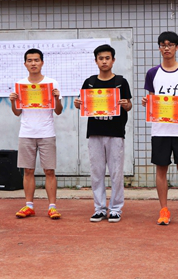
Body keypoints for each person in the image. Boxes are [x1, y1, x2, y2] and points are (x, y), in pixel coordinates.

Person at [142, 31, 178, 226]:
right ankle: (164, 209)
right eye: (163, 45)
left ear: (177, 47)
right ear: (159, 48)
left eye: (170, 44)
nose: (166, 48)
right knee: (161, 169)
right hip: (160, 130)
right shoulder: (152, 73)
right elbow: (152, 98)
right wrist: (147, 102)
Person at [74, 44, 132, 223]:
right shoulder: (90, 82)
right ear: (96, 61)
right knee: (96, 172)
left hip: (115, 133)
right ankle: (99, 208)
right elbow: (82, 103)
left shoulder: (121, 82)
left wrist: (125, 104)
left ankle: (115, 209)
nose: (104, 61)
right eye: (101, 58)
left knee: (116, 173)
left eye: (107, 58)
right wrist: (78, 104)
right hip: (95, 133)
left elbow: (129, 105)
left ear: (113, 60)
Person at [10, 48, 63, 220]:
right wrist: (12, 102)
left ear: (42, 62)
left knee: (49, 171)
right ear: (25, 64)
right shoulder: (20, 85)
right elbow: (17, 112)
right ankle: (29, 206)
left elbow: (58, 111)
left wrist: (57, 98)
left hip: (47, 132)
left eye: (36, 60)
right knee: (28, 170)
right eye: (30, 60)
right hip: (26, 132)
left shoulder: (52, 83)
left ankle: (52, 207)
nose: (33, 63)